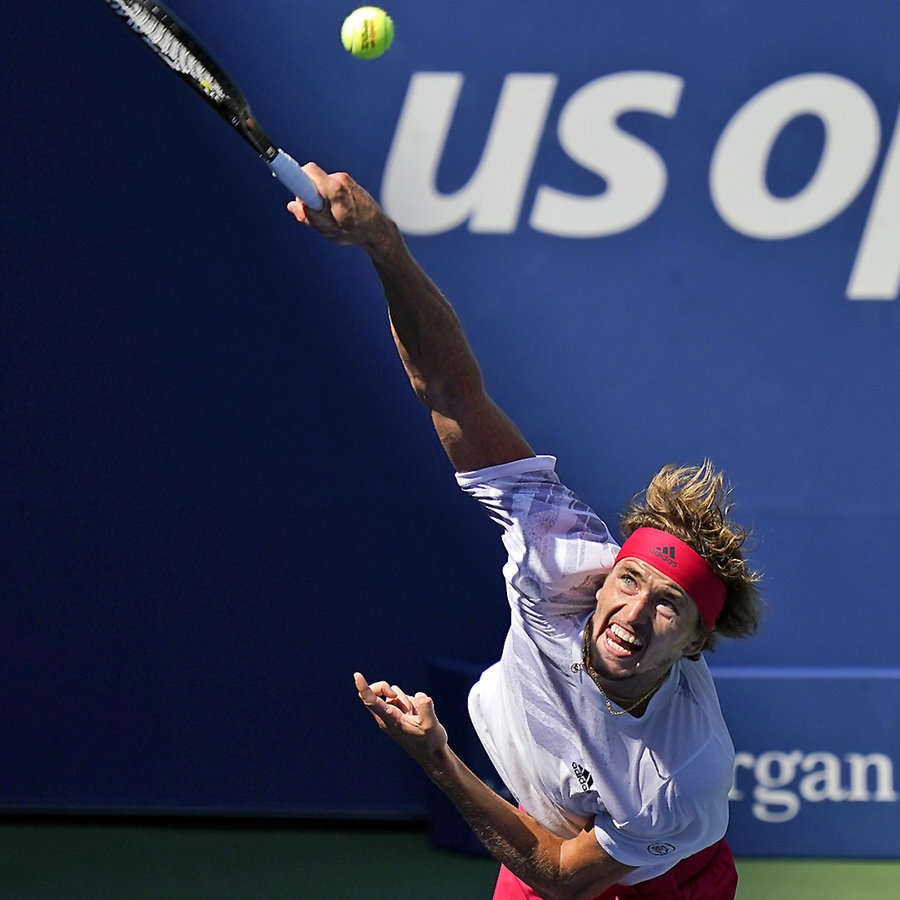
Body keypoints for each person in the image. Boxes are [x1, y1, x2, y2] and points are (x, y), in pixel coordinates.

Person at [287, 164, 763, 900]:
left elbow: (564, 877)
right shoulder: (561, 567)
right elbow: (451, 393)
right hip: (547, 838)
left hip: (657, 882)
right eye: (630, 580)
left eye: (668, 604)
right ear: (604, 577)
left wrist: (438, 759)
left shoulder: (683, 772)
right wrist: (382, 243)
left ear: (698, 643)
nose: (632, 613)